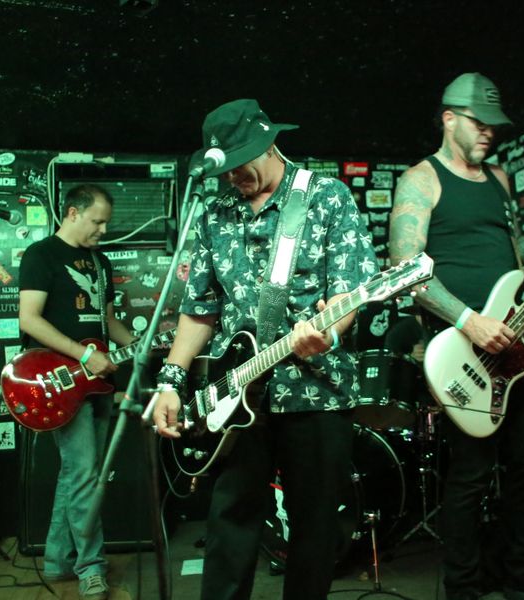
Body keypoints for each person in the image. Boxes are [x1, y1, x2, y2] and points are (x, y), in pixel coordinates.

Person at [388, 73, 524, 600]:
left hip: (516, 343)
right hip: (461, 348)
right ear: (449, 119)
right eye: (479, 122)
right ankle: (463, 586)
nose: (489, 132)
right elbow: (404, 269)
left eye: (494, 125)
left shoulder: (500, 179)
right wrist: (469, 320)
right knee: (470, 475)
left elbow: (515, 251)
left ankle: (522, 570)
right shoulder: (422, 179)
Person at [152, 98, 378, 600]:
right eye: (225, 168)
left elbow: (350, 291)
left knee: (314, 527)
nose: (233, 176)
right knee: (229, 521)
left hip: (315, 390)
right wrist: (170, 380)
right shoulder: (214, 213)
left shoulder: (326, 196)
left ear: (269, 142)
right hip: (234, 393)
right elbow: (200, 309)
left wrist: (329, 331)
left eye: (241, 163)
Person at [19, 184, 137, 600]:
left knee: (78, 473)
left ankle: (57, 560)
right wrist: (85, 356)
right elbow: (30, 319)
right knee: (84, 473)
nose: (103, 230)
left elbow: (108, 323)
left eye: (105, 223)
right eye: (97, 221)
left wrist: (144, 345)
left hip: (98, 383)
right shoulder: (41, 255)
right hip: (59, 383)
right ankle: (91, 567)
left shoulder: (100, 262)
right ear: (72, 212)